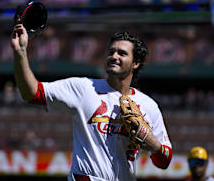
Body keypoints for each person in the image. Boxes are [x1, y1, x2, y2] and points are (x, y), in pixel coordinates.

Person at [11, 22, 172, 181]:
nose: (114, 56)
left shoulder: (148, 105)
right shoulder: (83, 88)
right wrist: (20, 52)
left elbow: (164, 161)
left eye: (122, 53)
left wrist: (149, 140)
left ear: (135, 63)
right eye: (111, 52)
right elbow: (32, 93)